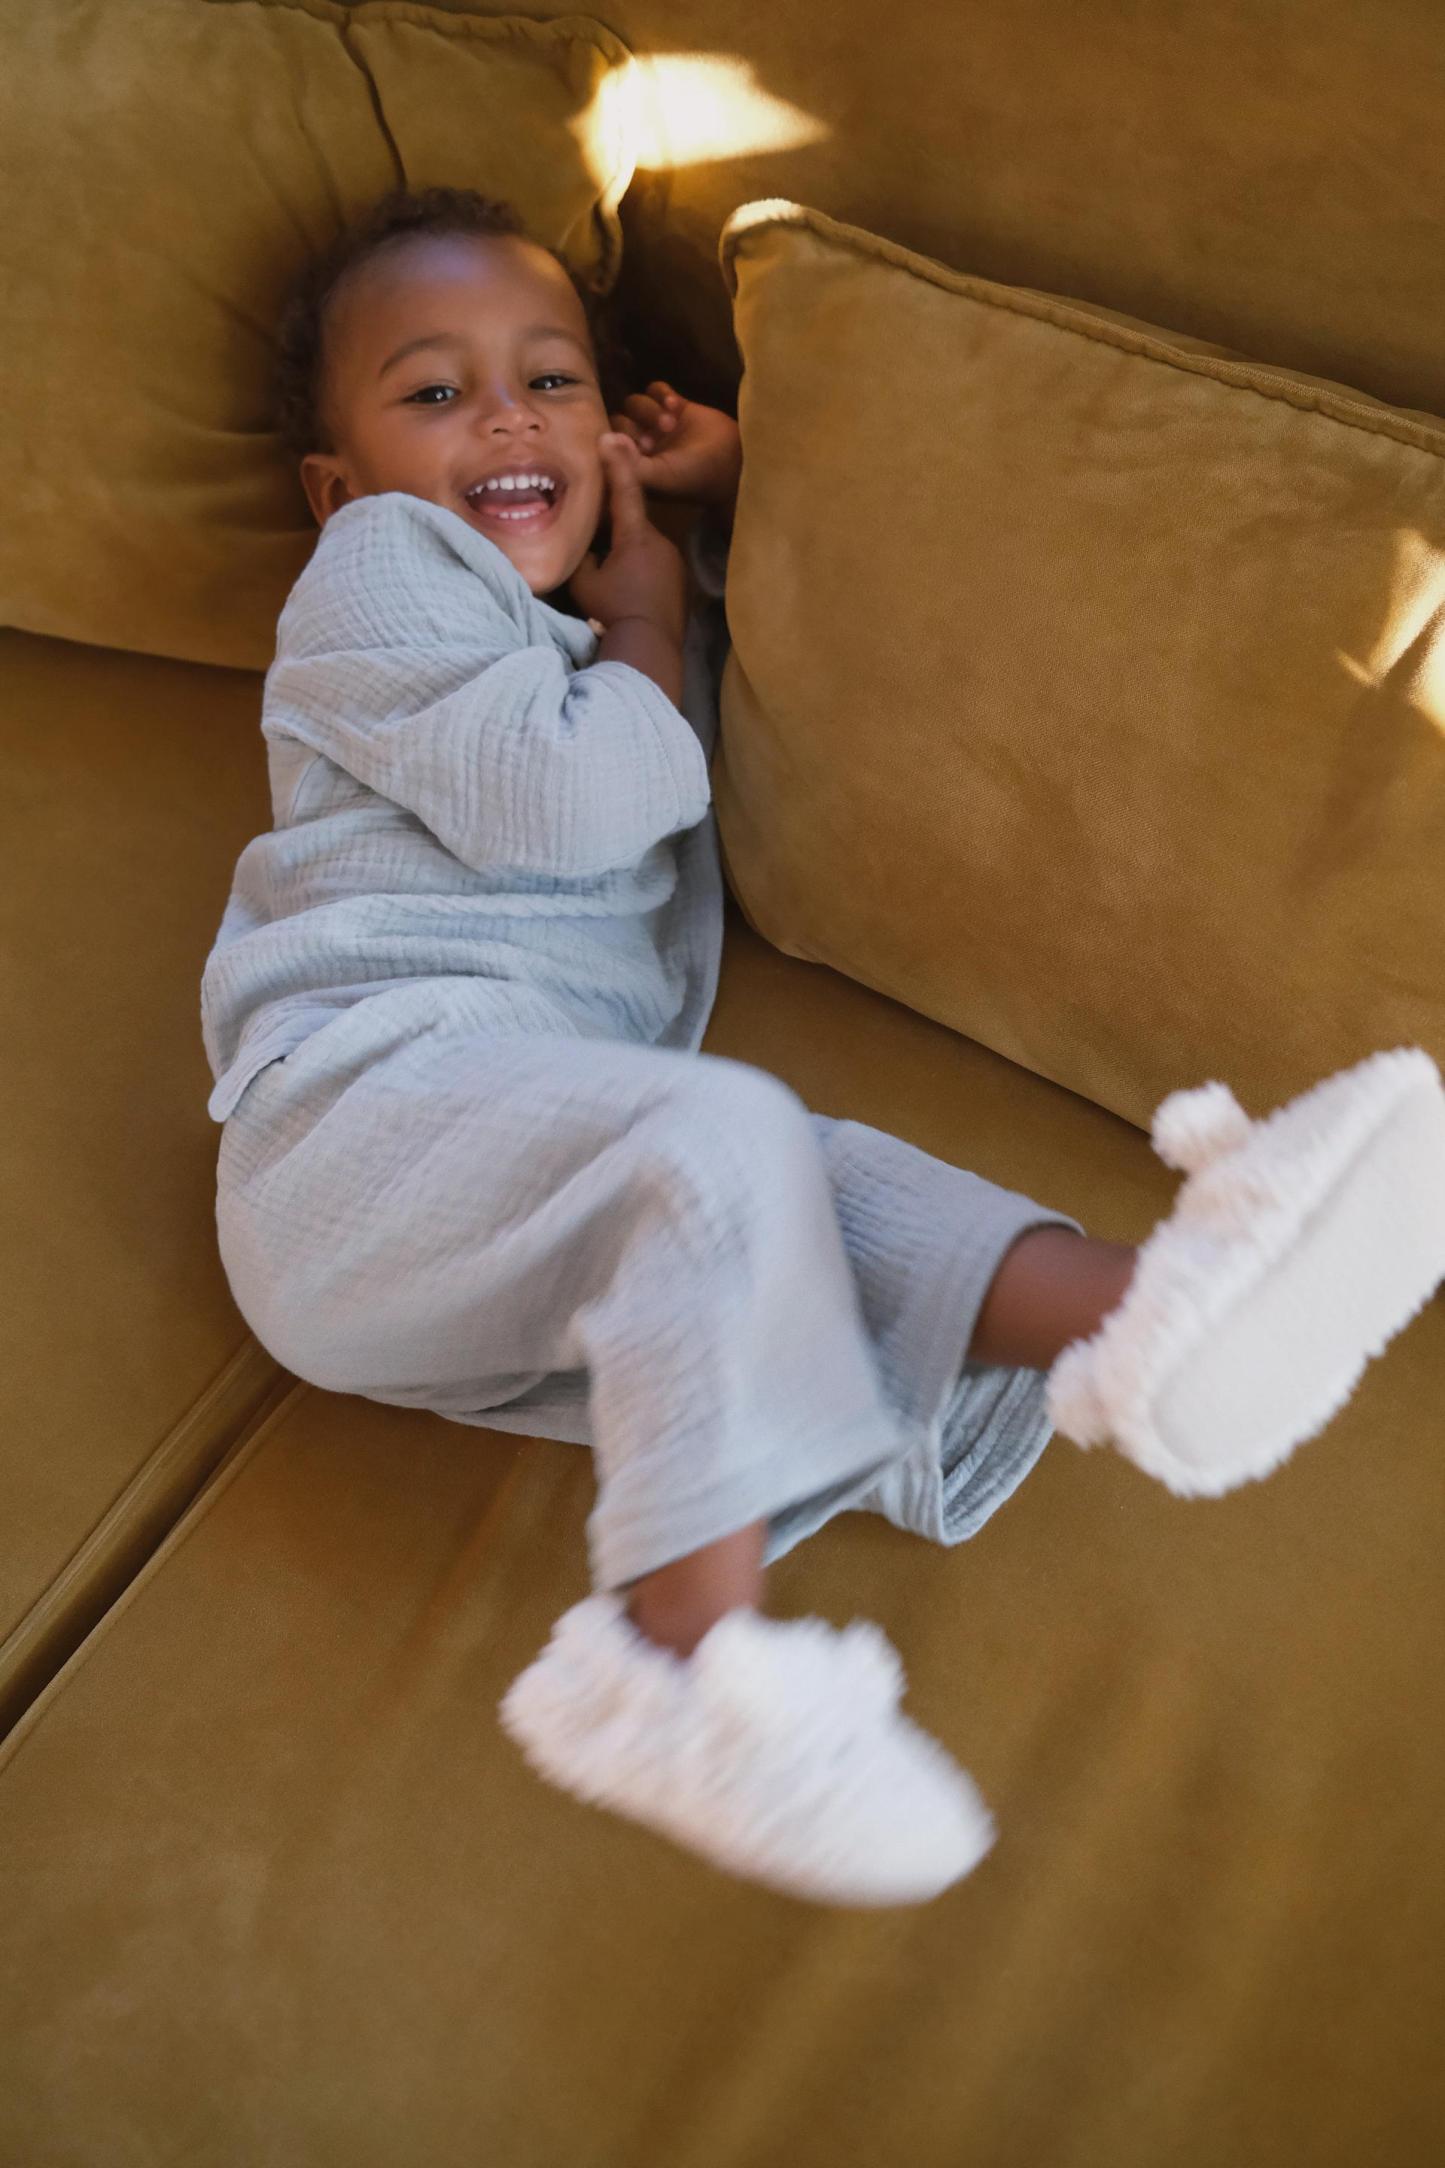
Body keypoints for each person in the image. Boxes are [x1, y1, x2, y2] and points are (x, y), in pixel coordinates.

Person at [200, 186, 1445, 1907]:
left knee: (786, 1178)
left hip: (467, 1209)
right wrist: (647, 618)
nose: (507, 419)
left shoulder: (592, 620)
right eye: (435, 392)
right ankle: (678, 1662)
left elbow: (687, 701)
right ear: (337, 487)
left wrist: (720, 510)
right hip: (357, 1118)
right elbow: (571, 796)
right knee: (717, 1142)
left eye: (553, 382)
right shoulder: (376, 577)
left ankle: (1149, 1314)